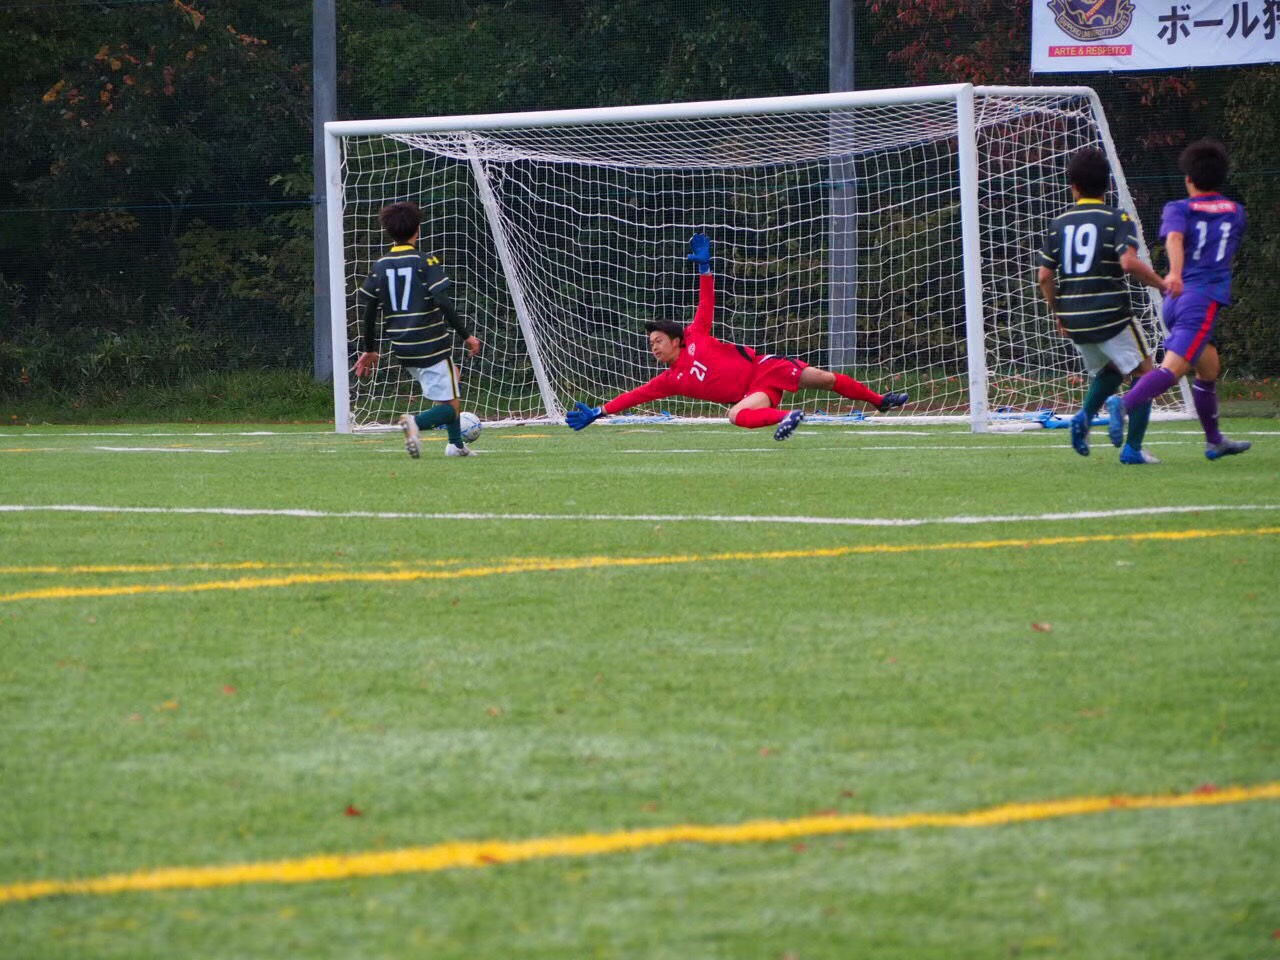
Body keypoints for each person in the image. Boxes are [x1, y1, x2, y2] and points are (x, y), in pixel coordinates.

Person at [565, 233, 907, 439]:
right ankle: (788, 418)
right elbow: (636, 396)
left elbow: (706, 301)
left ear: (675, 339)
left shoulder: (695, 334)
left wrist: (704, 268)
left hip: (765, 368)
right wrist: (599, 411)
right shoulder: (670, 380)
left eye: (657, 340)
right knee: (735, 416)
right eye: (650, 343)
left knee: (823, 378)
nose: (653, 346)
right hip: (752, 392)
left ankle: (880, 401)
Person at [1112, 139, 1251, 462]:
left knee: (1208, 368)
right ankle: (1123, 404)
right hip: (1199, 300)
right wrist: (1180, 275)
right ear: (1221, 178)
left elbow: (1175, 236)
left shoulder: (1178, 208)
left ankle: (1214, 441)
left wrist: (1173, 274)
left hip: (1177, 298)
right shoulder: (1236, 212)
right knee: (1173, 369)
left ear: (1189, 178)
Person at [1036, 147, 1166, 464]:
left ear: (1073, 186)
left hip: (1074, 315)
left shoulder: (1059, 223)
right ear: (1107, 185)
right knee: (1146, 374)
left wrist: (1057, 312)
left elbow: (1043, 276)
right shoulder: (1117, 218)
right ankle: (1133, 449)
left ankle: (1084, 416)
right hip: (1111, 313)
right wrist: (1163, 284)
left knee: (1111, 370)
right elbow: (1129, 263)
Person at [353, 201, 481, 458]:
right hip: (431, 342)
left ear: (389, 231)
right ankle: (415, 423)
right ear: (418, 230)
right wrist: (467, 336)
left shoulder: (380, 266)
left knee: (451, 385)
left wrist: (370, 350)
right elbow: (443, 301)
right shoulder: (425, 261)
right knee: (450, 407)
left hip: (402, 346)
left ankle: (456, 446)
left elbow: (368, 310)